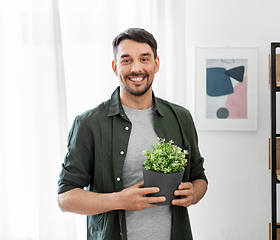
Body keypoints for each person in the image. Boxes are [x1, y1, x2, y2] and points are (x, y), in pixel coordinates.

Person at [57, 28, 208, 240]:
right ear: (114, 66)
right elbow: (65, 198)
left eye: (144, 59)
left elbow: (199, 178)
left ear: (156, 64)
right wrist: (119, 200)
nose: (136, 68)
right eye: (126, 60)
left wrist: (193, 194)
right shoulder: (89, 123)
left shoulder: (181, 118)